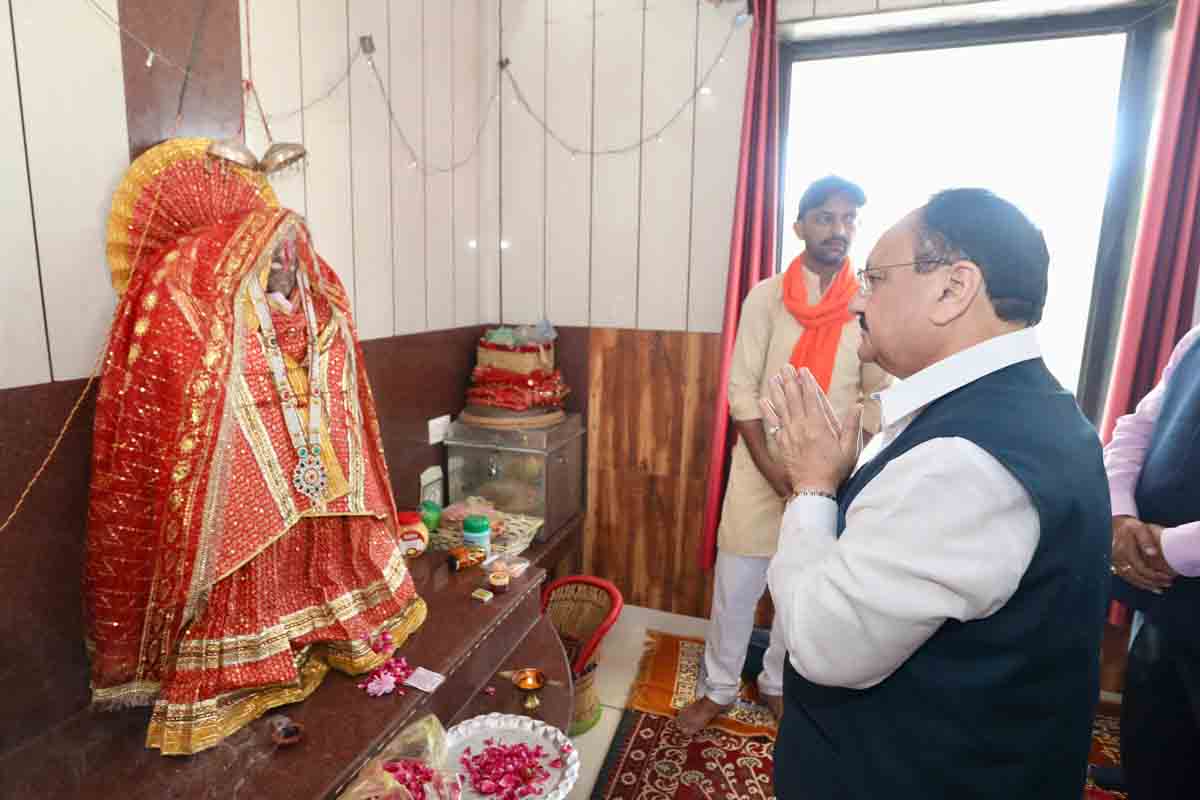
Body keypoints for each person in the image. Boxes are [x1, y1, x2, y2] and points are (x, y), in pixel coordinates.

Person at [761, 188, 1111, 797]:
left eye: (874, 279)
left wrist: (815, 486)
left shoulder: (965, 460)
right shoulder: (1024, 410)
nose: (856, 303)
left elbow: (824, 645)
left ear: (954, 288)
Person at [85, 139, 426, 755]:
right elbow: (191, 379)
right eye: (276, 262)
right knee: (240, 553)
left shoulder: (305, 301)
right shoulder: (187, 300)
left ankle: (323, 632)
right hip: (238, 449)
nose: (287, 270)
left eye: (292, 262)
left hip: (307, 441)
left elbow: (328, 336)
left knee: (317, 539)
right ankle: (247, 670)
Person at [677, 176, 891, 736]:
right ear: (799, 227)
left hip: (831, 475)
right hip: (760, 467)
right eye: (825, 217)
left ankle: (775, 682)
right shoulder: (768, 296)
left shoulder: (865, 303)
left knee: (805, 589)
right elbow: (742, 387)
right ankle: (719, 688)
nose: (838, 230)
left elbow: (876, 389)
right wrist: (774, 471)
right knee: (736, 586)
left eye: (848, 220)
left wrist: (842, 460)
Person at [1104, 323, 1200, 799]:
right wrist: (1120, 514)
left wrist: (1170, 549)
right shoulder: (1194, 340)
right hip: (1161, 603)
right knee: (1154, 762)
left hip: (1165, 568)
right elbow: (1136, 428)